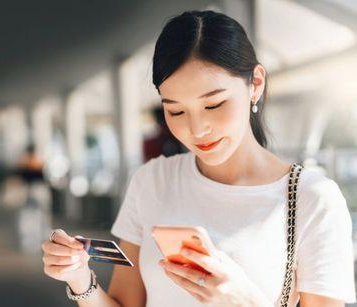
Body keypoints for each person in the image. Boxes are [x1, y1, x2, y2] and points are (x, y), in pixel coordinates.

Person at [40, 10, 356, 307]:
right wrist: (80, 278)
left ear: (255, 85)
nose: (196, 129)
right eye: (175, 110)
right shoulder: (152, 181)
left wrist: (242, 300)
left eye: (214, 105)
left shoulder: (312, 198)